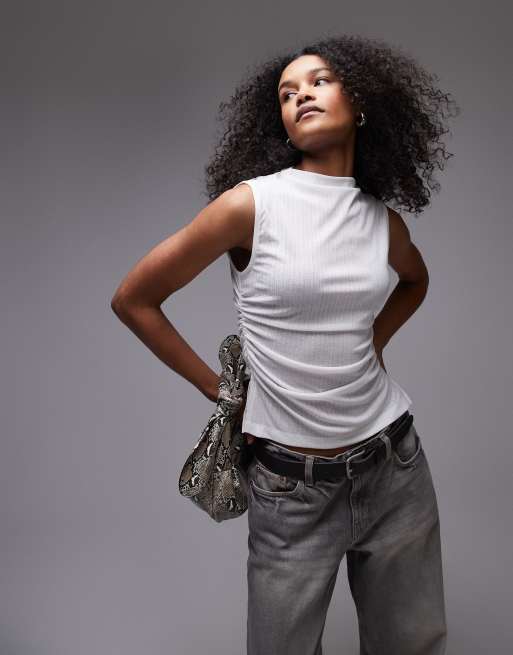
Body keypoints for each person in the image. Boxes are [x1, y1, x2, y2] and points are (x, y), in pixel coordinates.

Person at [111, 34, 459, 655]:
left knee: (412, 646)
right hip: (291, 488)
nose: (301, 96)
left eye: (319, 81)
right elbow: (134, 299)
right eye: (287, 93)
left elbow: (416, 281)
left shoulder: (382, 222)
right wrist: (221, 391)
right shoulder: (251, 207)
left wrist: (372, 343)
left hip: (395, 469)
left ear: (361, 102)